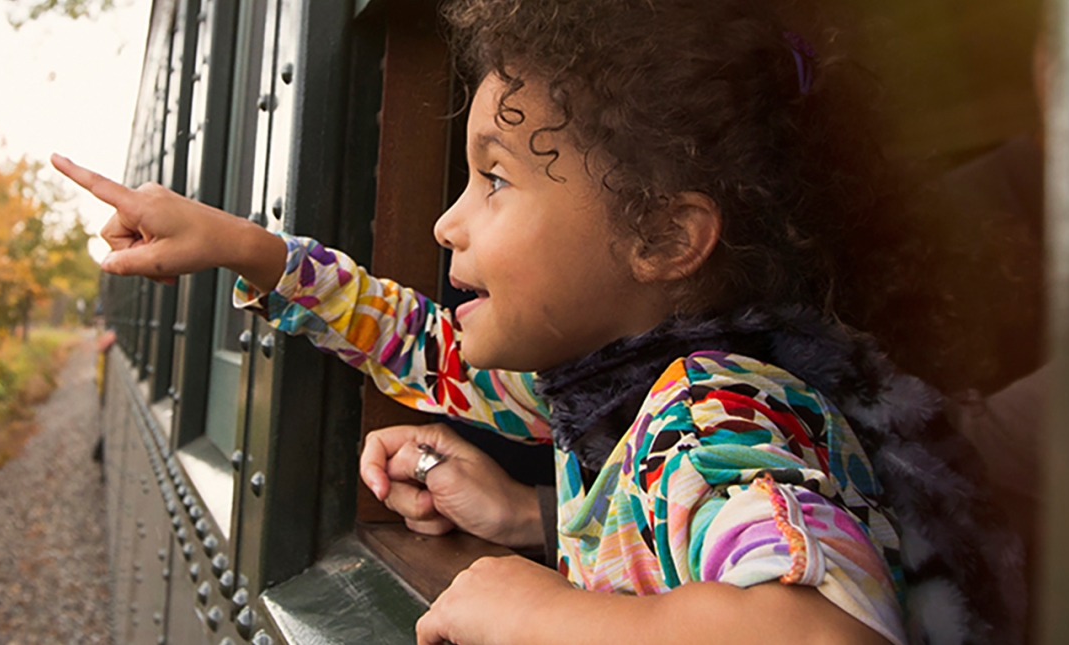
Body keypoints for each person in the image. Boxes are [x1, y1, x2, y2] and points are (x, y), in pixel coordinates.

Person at [53, 1, 1018, 643]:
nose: (444, 219)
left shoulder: (720, 412)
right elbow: (419, 346)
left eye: (494, 178)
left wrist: (543, 611)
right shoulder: (605, 388)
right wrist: (242, 246)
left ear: (663, 237)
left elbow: (821, 634)